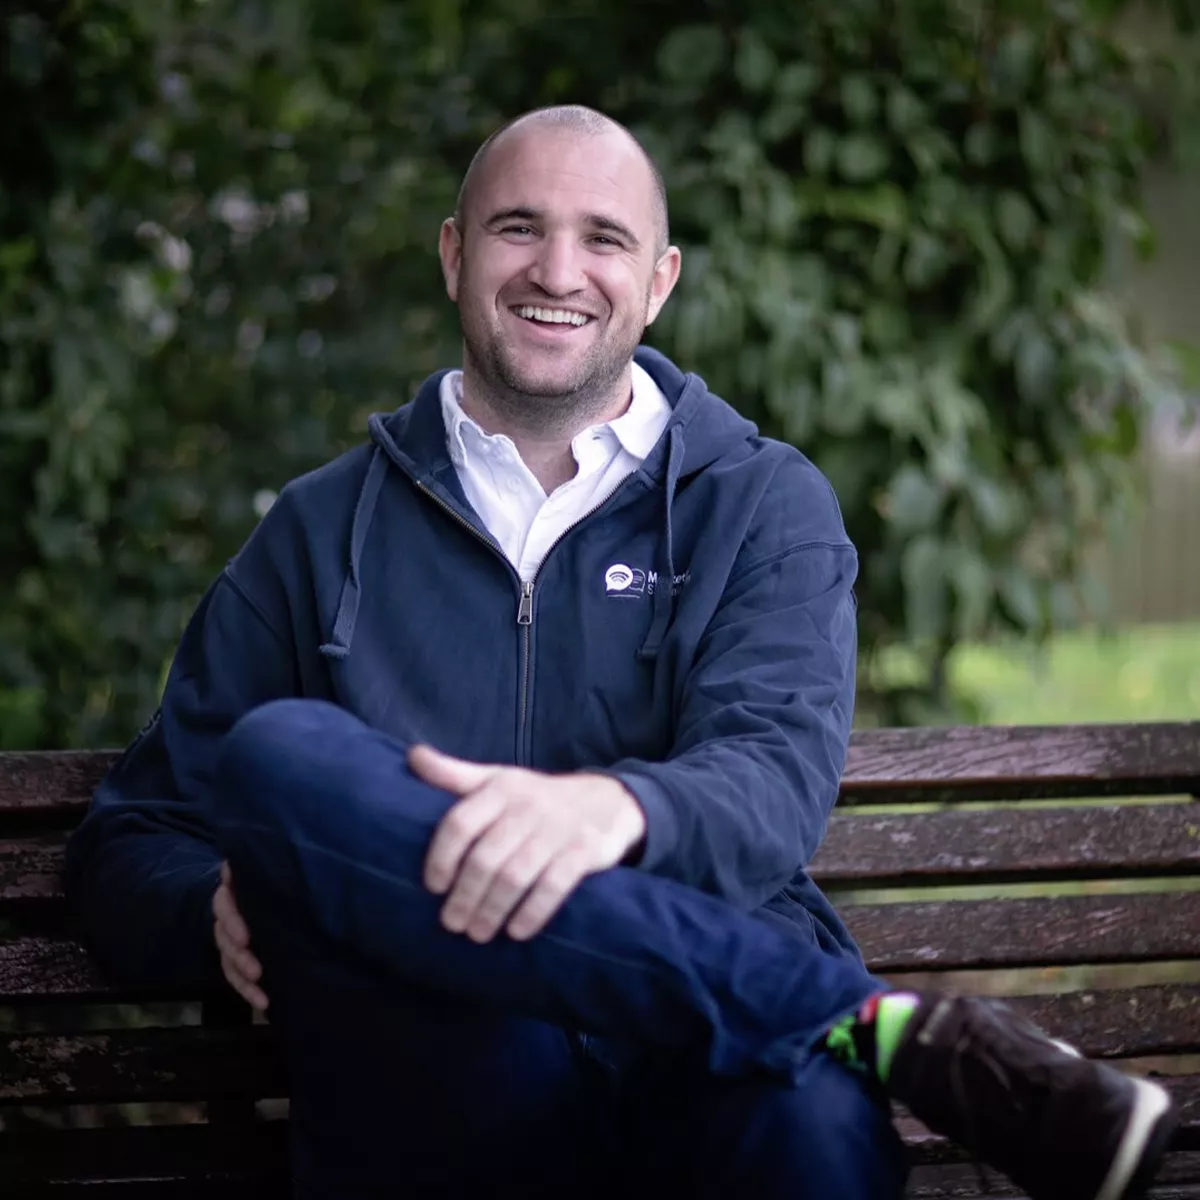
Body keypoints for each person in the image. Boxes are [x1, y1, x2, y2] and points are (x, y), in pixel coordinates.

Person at [65, 105, 1175, 1200]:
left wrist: (614, 810)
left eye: (604, 238)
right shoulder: (318, 529)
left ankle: (821, 1026)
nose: (558, 270)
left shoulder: (761, 503)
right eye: (517, 227)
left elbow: (773, 778)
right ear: (453, 255)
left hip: (713, 1064)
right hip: (443, 1060)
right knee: (281, 757)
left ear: (660, 280)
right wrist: (212, 909)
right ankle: (876, 1029)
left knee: (806, 1133)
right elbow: (132, 840)